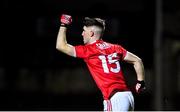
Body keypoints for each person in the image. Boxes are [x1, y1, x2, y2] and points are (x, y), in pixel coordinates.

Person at [56, 14, 146, 111]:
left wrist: (63, 25)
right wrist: (141, 82)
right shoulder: (115, 48)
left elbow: (61, 46)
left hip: (114, 98)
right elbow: (137, 60)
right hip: (127, 97)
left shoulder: (88, 50)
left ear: (91, 33)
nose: (82, 34)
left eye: (84, 31)